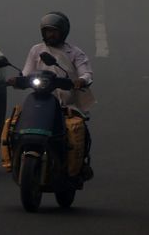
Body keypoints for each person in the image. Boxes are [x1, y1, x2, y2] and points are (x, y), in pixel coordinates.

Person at [9, 11, 95, 178]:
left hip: (66, 103)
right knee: (14, 124)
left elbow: (86, 73)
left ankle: (81, 163)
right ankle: (14, 157)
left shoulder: (75, 53)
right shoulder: (37, 50)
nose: (51, 34)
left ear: (63, 32)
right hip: (40, 99)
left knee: (78, 129)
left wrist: (81, 81)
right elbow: (26, 73)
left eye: (54, 31)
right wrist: (17, 81)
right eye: (48, 31)